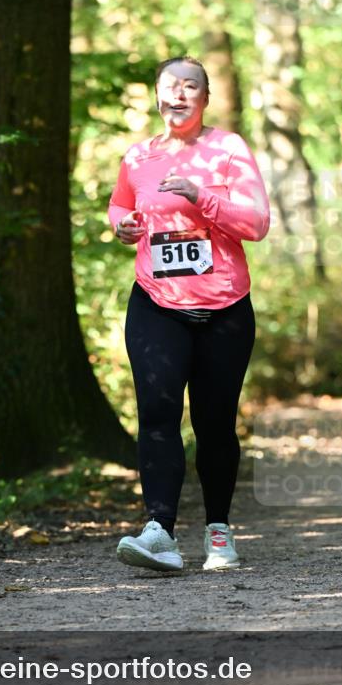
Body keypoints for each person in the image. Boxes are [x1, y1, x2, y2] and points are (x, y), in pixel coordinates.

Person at [108, 56, 270, 573]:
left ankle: (218, 531)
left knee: (215, 423)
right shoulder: (138, 157)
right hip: (156, 302)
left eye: (190, 87)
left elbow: (258, 223)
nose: (179, 95)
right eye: (169, 87)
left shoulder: (228, 150)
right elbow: (119, 205)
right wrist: (123, 225)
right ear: (156, 96)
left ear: (205, 98)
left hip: (224, 307)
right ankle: (159, 532)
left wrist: (203, 198)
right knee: (157, 416)